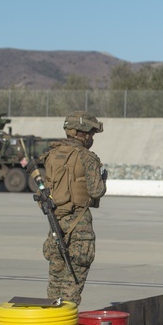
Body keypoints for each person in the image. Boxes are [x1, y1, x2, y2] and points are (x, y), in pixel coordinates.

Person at [38, 111, 107, 305]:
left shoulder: (52, 155)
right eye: (91, 134)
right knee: (72, 285)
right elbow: (96, 191)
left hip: (56, 224)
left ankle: (51, 324)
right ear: (82, 133)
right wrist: (103, 179)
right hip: (79, 227)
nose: (92, 138)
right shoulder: (87, 157)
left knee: (55, 282)